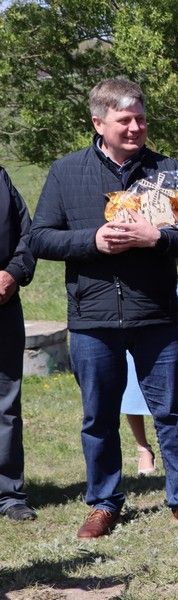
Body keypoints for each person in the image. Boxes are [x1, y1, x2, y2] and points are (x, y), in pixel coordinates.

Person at [29, 78, 178, 539]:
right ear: (99, 122)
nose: (135, 128)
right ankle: (104, 502)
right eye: (125, 120)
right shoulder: (66, 171)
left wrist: (159, 238)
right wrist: (91, 241)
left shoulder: (166, 171)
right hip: (92, 317)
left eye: (141, 119)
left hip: (155, 313)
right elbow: (39, 237)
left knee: (172, 410)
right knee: (98, 415)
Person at [121, 281, 178, 475]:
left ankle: (174, 451)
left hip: (163, 291)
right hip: (123, 295)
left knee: (172, 382)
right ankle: (142, 447)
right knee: (131, 378)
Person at [0, 166, 37, 522]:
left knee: (5, 400)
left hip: (2, 304)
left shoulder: (1, 179)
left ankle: (9, 493)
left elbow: (29, 236)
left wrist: (13, 273)